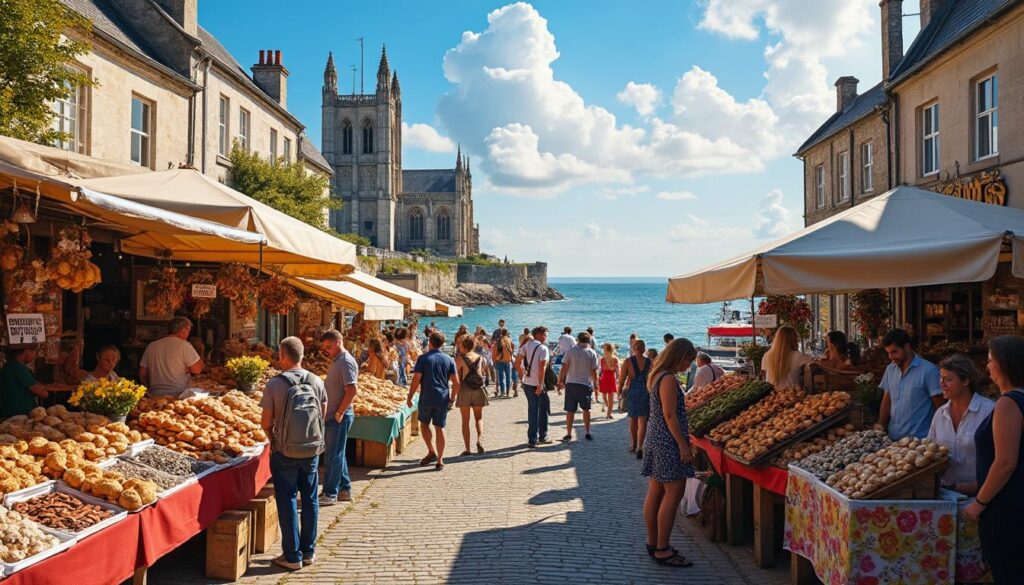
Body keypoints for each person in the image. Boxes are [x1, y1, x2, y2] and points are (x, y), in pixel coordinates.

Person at [260, 337, 327, 571]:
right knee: (310, 499)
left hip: (285, 452)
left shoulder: (275, 384)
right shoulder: (316, 380)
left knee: (287, 500)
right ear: (302, 355)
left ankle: (292, 555)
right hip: (311, 450)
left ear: (282, 356)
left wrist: (274, 440)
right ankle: (309, 552)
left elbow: (265, 422)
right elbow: (322, 413)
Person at [965, 336, 1024, 584]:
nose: (987, 366)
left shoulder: (1008, 404)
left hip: (1005, 506)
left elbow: (1005, 462)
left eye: (990, 360)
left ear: (1003, 364)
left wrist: (979, 502)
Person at [642, 338, 697, 568]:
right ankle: (663, 548)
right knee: (673, 494)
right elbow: (670, 415)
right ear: (680, 356)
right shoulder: (668, 379)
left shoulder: (657, 375)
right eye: (688, 360)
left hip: (656, 438)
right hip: (667, 442)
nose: (689, 365)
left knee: (656, 491)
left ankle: (653, 542)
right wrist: (683, 445)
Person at [927, 355, 994, 495]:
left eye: (948, 379)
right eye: (941, 378)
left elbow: (1001, 458)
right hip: (946, 494)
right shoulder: (940, 414)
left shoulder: (989, 411)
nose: (942, 384)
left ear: (965, 381)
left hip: (982, 495)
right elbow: (930, 453)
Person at [406, 332, 459, 470]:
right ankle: (440, 459)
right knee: (440, 427)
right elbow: (456, 382)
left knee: (424, 424)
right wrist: (452, 398)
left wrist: (410, 396)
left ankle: (431, 451)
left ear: (429, 342)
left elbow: (416, 379)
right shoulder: (449, 359)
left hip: (426, 396)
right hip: (442, 397)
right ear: (443, 344)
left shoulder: (423, 359)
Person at [878, 328, 943, 440]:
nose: (890, 357)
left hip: (919, 441)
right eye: (888, 352)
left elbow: (941, 408)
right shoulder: (890, 369)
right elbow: (886, 401)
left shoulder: (929, 371)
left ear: (907, 347)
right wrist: (881, 427)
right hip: (893, 439)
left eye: (894, 352)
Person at [318, 330, 358, 506]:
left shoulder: (345, 362)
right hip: (335, 414)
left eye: (329, 347)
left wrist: (339, 412)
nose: (327, 351)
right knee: (337, 454)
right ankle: (344, 490)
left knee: (333, 456)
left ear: (338, 343)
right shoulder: (339, 361)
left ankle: (330, 493)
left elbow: (352, 389)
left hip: (339, 416)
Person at [139, 316, 204, 397]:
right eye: (188, 332)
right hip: (179, 395)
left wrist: (148, 388)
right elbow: (197, 370)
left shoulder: (151, 346)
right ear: (184, 330)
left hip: (155, 395)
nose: (187, 335)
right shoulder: (184, 345)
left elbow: (142, 374)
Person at [1, 346, 73, 417]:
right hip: (18, 416)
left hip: (13, 414)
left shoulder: (10, 366)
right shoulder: (19, 369)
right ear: (26, 351)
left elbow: (33, 385)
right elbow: (44, 394)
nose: (35, 355)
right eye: (34, 351)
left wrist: (49, 386)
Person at [557, 331, 599, 442]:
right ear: (589, 340)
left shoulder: (570, 351)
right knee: (586, 409)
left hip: (571, 383)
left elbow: (564, 368)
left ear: (578, 339)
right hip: (585, 384)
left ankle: (569, 433)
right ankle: (587, 432)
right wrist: (596, 384)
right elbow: (594, 371)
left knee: (570, 410)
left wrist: (560, 381)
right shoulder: (592, 353)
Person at [515, 326, 551, 448]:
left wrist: (523, 377)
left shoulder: (526, 345)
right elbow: (542, 368)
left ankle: (532, 439)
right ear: (539, 335)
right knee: (543, 409)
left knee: (532, 410)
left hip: (528, 383)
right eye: (545, 334)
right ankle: (542, 436)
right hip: (538, 384)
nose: (546, 337)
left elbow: (517, 363)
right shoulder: (543, 348)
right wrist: (540, 385)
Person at [455, 336, 488, 455]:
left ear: (463, 346)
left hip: (465, 389)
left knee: (465, 420)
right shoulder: (481, 358)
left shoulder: (460, 358)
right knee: (479, 418)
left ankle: (467, 449)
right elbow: (483, 371)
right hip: (478, 389)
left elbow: (455, 375)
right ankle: (480, 439)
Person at [620, 339, 652, 458]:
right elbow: (652, 379)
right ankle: (640, 446)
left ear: (634, 349)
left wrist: (619, 391)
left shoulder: (628, 361)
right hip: (645, 392)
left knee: (633, 419)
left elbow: (622, 378)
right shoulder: (650, 362)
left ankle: (633, 444)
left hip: (633, 392)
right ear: (644, 349)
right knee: (643, 420)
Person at [598, 343, 619, 419]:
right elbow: (601, 371)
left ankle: (609, 413)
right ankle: (608, 409)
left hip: (609, 377)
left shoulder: (614, 359)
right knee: (605, 396)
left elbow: (615, 370)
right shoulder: (602, 359)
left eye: (604, 348)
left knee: (609, 397)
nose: (603, 350)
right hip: (606, 378)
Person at [493, 328, 515, 398]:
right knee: (508, 377)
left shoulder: (498, 341)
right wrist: (511, 353)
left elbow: (494, 351)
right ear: (507, 333)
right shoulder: (509, 340)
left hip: (499, 361)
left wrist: (494, 360)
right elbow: (513, 346)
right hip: (508, 360)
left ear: (501, 333)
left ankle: (502, 392)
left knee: (501, 378)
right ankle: (508, 392)